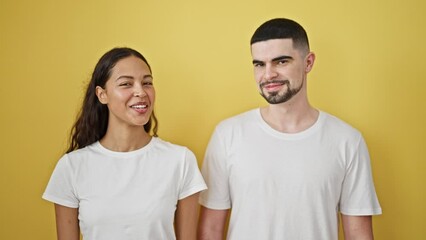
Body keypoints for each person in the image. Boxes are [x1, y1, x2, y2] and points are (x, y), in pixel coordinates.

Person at [198, 18, 382, 240]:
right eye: (259, 64)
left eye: (281, 62)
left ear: (308, 62)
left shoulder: (347, 141)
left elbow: (359, 235)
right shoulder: (227, 135)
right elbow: (210, 230)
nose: (268, 75)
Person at [42, 47, 207, 240]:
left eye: (147, 83)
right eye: (126, 84)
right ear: (102, 94)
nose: (141, 92)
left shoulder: (180, 160)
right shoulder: (72, 167)